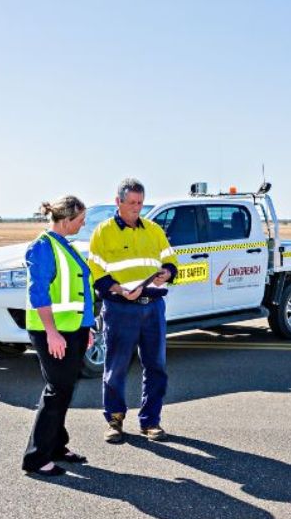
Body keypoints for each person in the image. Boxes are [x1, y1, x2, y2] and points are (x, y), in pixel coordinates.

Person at [88, 178, 179, 443]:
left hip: (153, 308)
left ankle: (151, 422)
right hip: (119, 309)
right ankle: (114, 421)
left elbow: (171, 259)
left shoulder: (153, 230)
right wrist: (118, 289)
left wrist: (167, 273)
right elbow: (96, 272)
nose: (136, 208)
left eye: (140, 203)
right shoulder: (103, 233)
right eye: (131, 203)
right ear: (118, 202)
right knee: (116, 367)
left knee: (156, 367)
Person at [22, 195, 95, 477]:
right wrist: (52, 332)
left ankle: (56, 446)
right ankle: (36, 457)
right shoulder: (42, 247)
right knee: (57, 390)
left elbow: (80, 293)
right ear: (65, 221)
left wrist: (85, 329)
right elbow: (38, 293)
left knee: (65, 389)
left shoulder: (66, 246)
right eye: (80, 220)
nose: (83, 223)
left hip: (73, 329)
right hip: (53, 330)